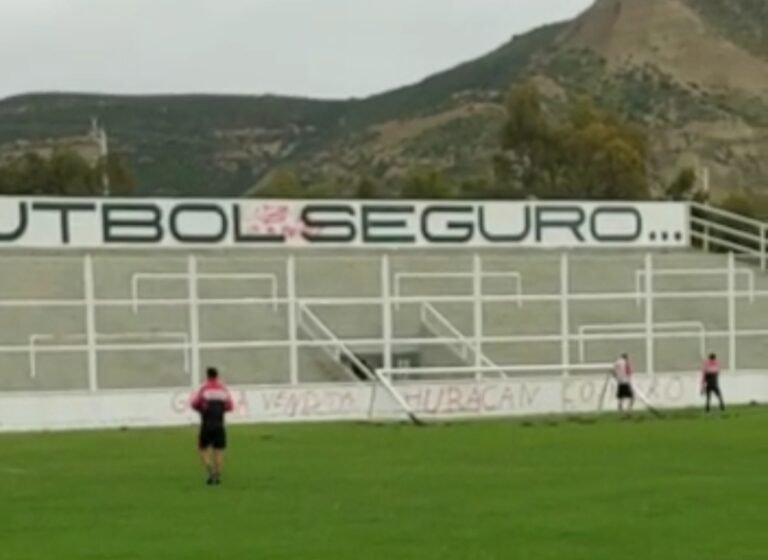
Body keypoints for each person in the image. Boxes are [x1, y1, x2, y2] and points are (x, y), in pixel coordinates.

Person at [191, 367, 234, 485]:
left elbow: (194, 403)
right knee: (219, 450)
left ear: (207, 376)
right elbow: (230, 406)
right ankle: (217, 474)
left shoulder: (204, 388)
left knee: (202, 448)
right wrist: (220, 409)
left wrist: (202, 409)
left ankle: (209, 469)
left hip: (206, 423)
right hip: (219, 424)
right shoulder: (223, 389)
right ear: (217, 375)